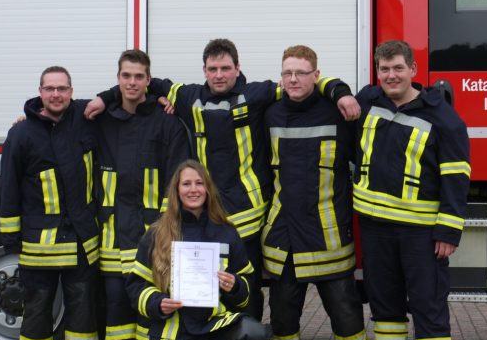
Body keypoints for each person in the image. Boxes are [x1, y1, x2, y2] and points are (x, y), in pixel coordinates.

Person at [89, 38, 361, 321]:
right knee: (209, 289)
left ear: (237, 68)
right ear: (204, 71)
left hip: (249, 219)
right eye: (213, 69)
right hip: (209, 219)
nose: (219, 75)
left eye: (225, 68)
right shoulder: (188, 96)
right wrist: (105, 98)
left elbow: (301, 83)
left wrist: (340, 93)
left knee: (247, 289)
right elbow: (143, 83)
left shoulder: (258, 94)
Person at [353, 40, 471, 340]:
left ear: (414, 70)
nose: (391, 76)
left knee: (429, 310)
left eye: (398, 68)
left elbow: (457, 177)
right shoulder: (368, 101)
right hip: (376, 230)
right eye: (384, 69)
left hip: (420, 234)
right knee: (385, 311)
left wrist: (448, 231)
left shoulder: (443, 117)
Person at [261, 45, 371, 340]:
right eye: (287, 73)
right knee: (283, 322)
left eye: (301, 73)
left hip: (328, 234)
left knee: (346, 318)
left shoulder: (337, 112)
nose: (293, 79)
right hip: (284, 238)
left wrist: (338, 90)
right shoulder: (270, 113)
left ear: (316, 76)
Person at [126, 160, 269, 340]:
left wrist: (235, 286)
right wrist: (157, 303)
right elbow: (136, 285)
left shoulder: (226, 233)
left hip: (215, 325)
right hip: (176, 329)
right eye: (187, 184)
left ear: (208, 189)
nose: (194, 189)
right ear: (176, 191)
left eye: (199, 183)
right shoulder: (157, 234)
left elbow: (248, 285)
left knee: (253, 332)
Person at [0, 66, 100, 340]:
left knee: (82, 313)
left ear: (72, 91)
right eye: (50, 89)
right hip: (39, 243)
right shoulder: (21, 134)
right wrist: (10, 239)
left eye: (62, 88)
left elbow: (120, 101)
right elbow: (9, 188)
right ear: (40, 92)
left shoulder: (86, 120)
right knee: (37, 310)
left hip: (82, 240)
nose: (56, 94)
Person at [94, 49, 190, 340]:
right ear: (117, 79)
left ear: (149, 80)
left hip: (152, 236)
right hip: (113, 235)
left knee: (150, 310)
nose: (132, 82)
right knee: (117, 310)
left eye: (138, 77)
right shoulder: (101, 119)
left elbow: (178, 180)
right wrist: (28, 114)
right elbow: (59, 111)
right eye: (126, 76)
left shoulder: (167, 121)